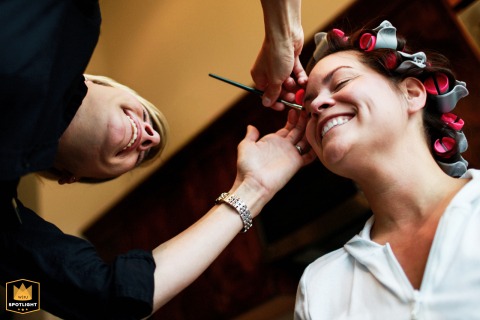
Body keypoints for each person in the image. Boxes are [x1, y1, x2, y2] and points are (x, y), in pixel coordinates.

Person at [0, 0, 315, 319]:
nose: (148, 137)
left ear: (73, 176)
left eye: (140, 157)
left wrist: (253, 189)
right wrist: (283, 35)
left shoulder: (7, 229)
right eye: (146, 115)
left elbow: (110, 300)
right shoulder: (70, 20)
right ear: (96, 81)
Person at [293, 20, 480, 319]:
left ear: (412, 93)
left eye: (340, 83)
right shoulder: (319, 287)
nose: (316, 106)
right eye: (308, 107)